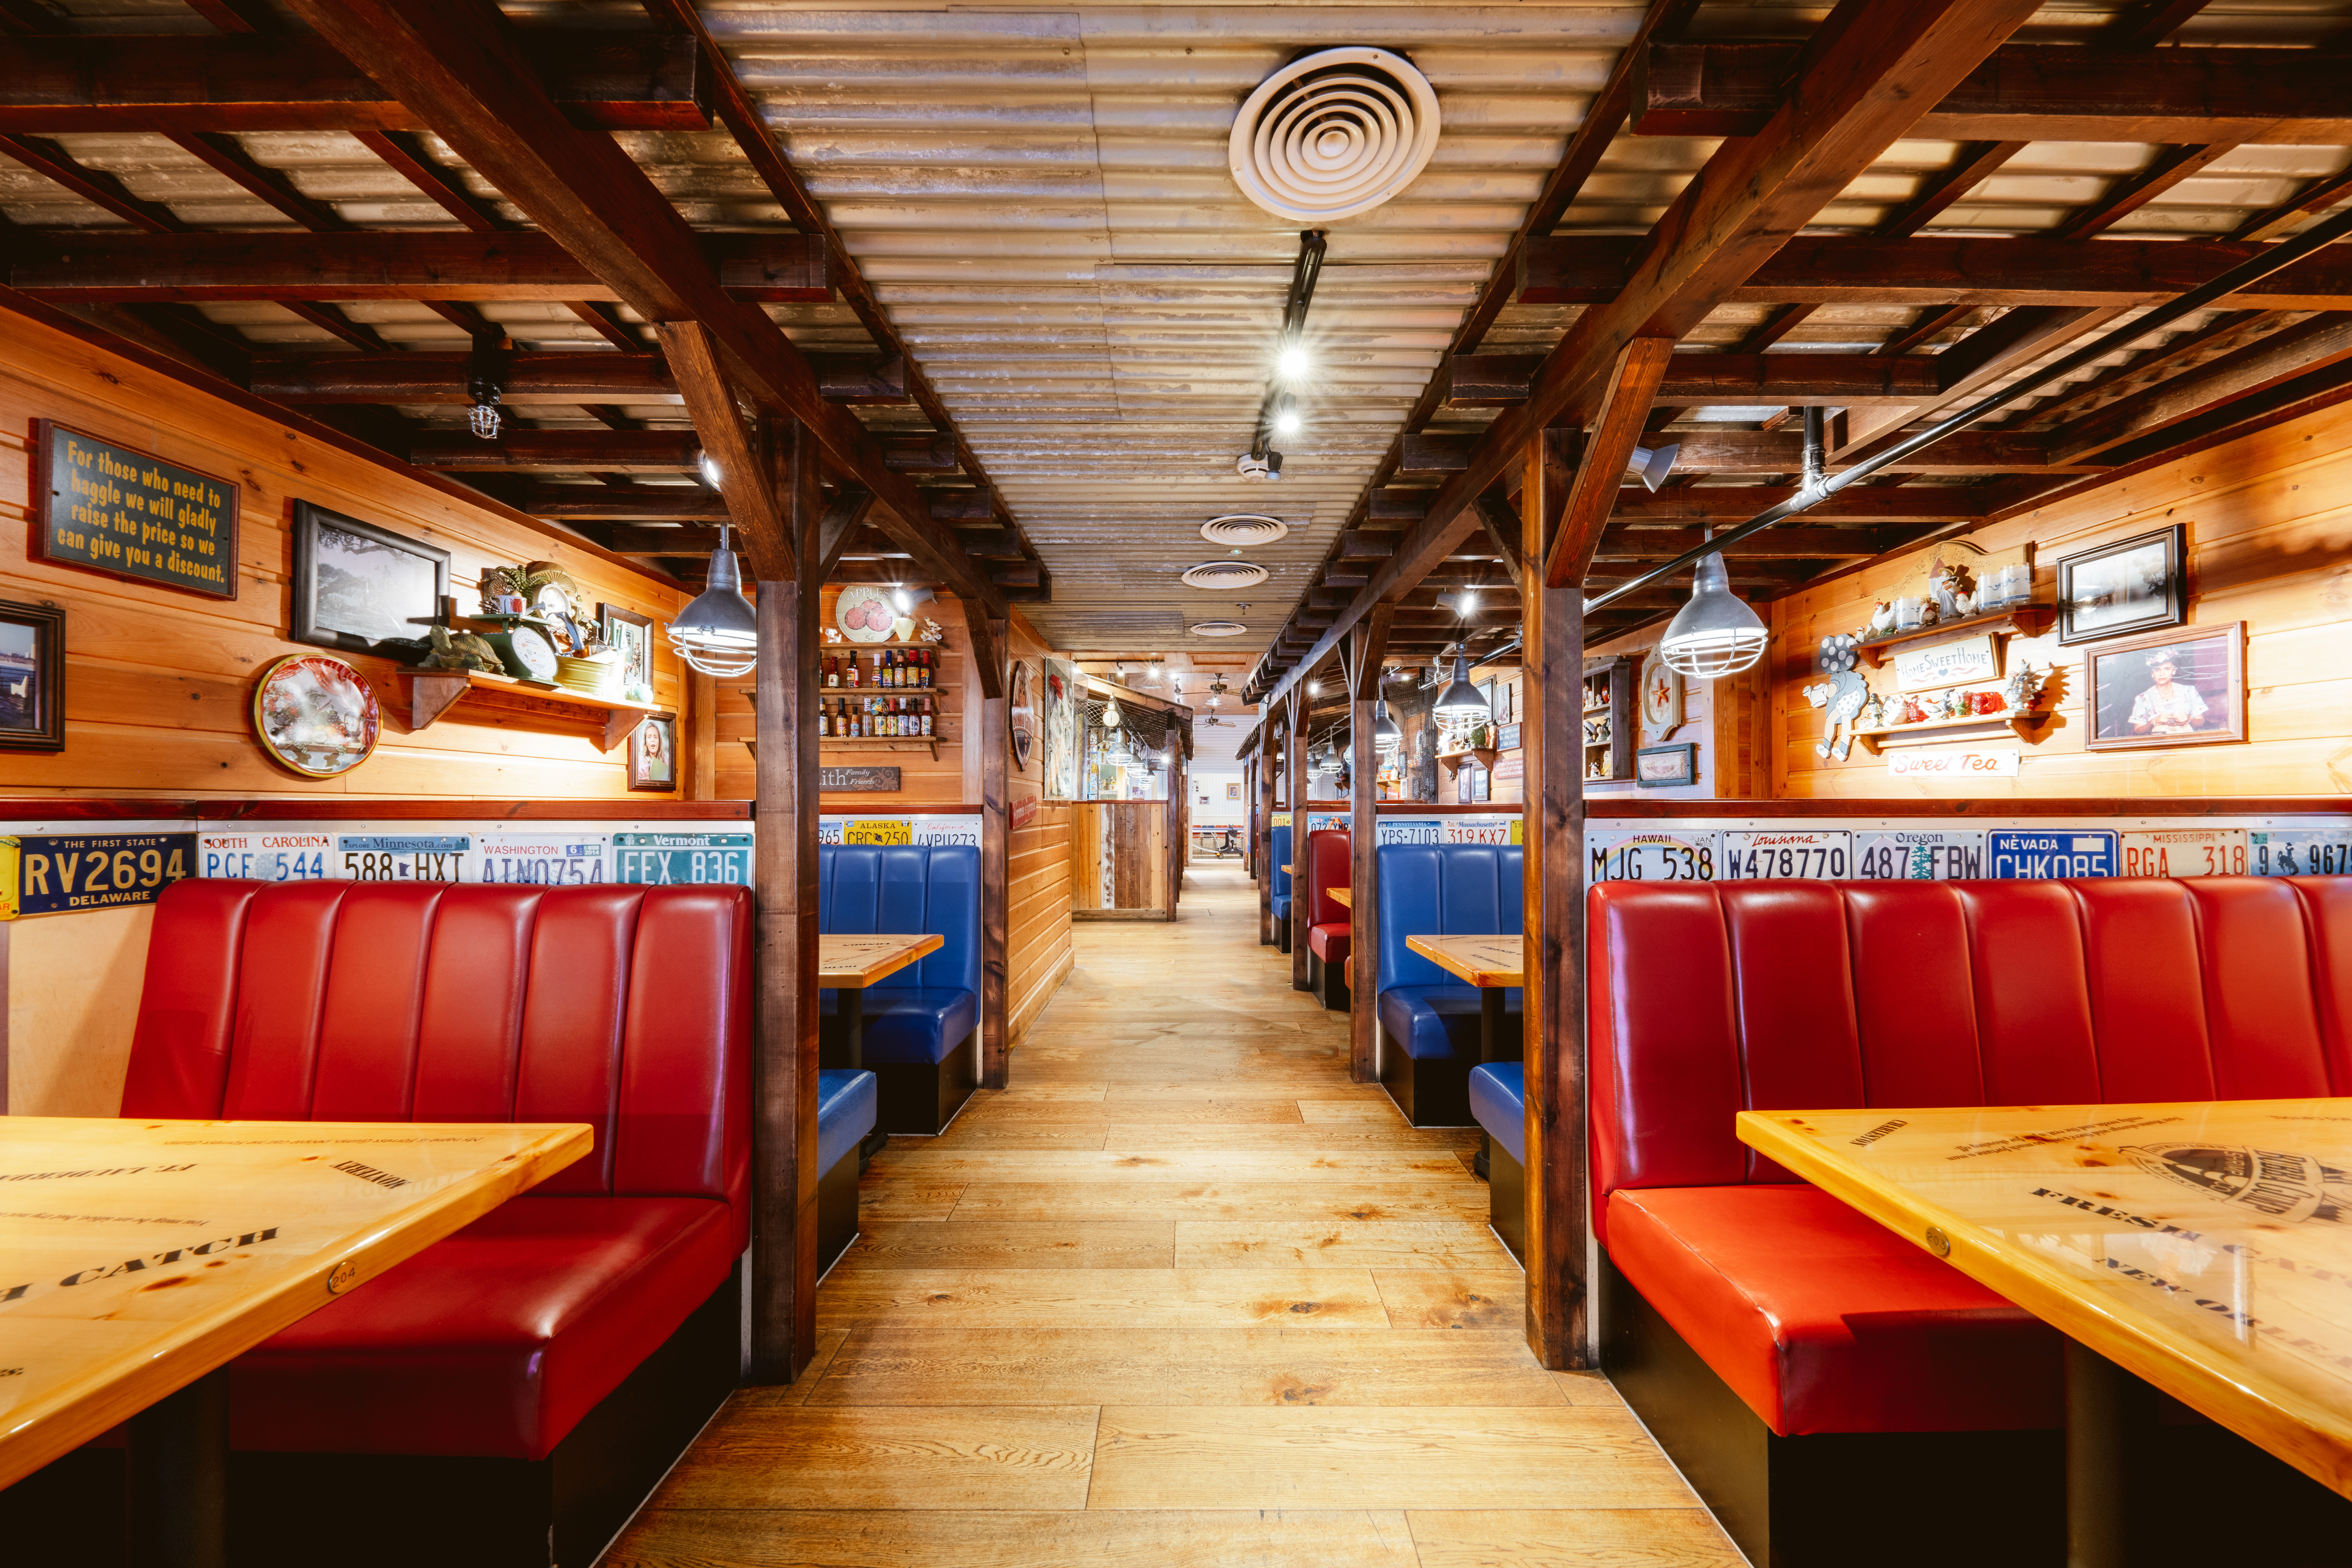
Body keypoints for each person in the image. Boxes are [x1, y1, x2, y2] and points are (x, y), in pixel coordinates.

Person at [2128, 650, 2207, 735]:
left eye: (2167, 669)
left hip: (2187, 742)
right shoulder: (2143, 698)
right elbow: (2138, 730)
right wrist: (2154, 721)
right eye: (2157, 670)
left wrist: (2189, 719)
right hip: (2159, 744)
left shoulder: (2189, 691)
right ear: (2152, 673)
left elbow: (2200, 722)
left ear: (2174, 671)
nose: (2162, 674)